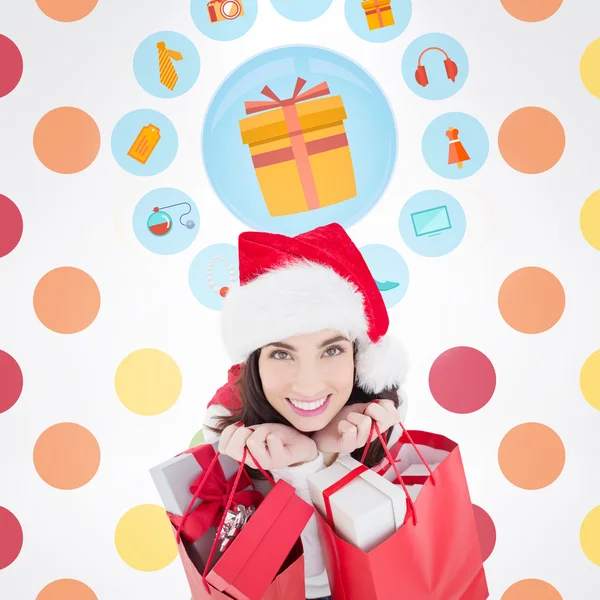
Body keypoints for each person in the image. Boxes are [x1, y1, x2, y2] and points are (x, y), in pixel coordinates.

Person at [202, 222, 409, 600]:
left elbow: (379, 556)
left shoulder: (380, 413)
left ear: (358, 358)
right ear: (255, 362)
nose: (309, 385)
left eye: (331, 350)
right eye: (282, 354)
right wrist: (299, 469)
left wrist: (336, 460)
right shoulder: (228, 426)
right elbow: (299, 578)